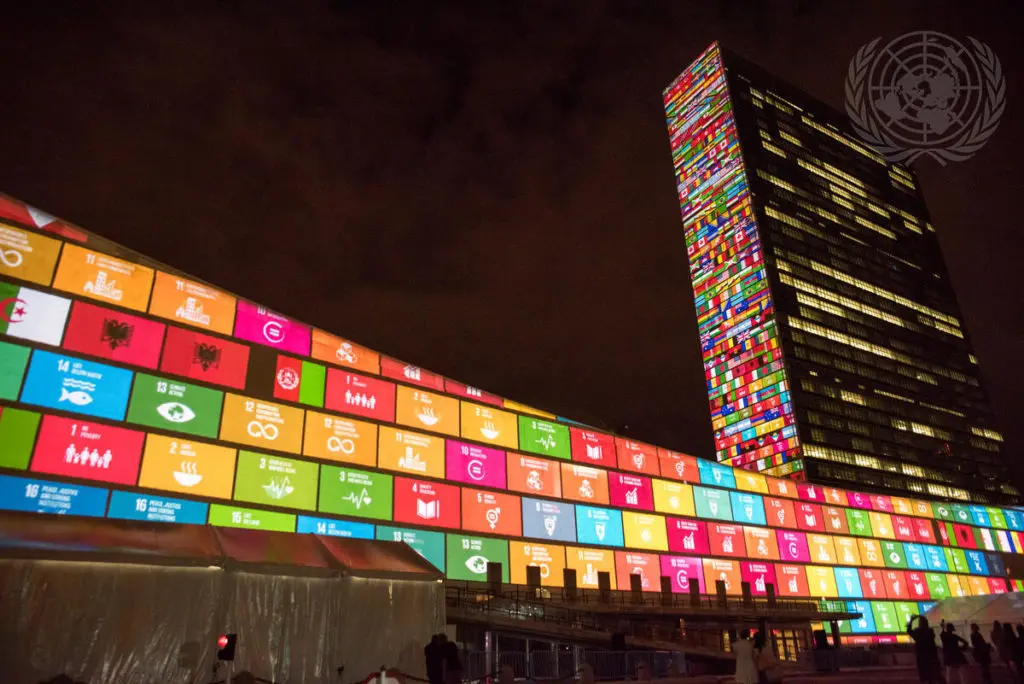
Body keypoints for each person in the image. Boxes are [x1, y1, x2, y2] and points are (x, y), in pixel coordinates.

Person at [907, 615, 942, 684]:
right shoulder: (930, 631)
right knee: (935, 676)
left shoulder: (918, 632)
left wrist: (911, 621)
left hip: (922, 657)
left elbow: (909, 631)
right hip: (931, 656)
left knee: (926, 676)